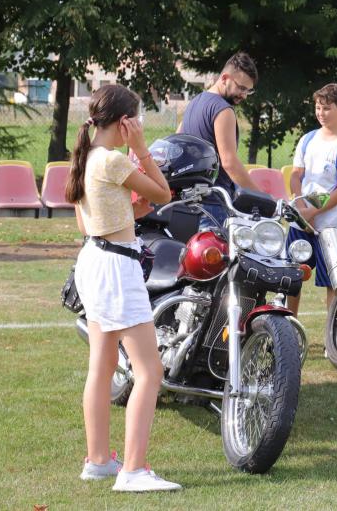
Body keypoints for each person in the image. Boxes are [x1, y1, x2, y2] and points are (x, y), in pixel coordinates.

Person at [66, 85, 181, 491]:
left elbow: (88, 222)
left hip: (94, 260)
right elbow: (163, 193)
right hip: (116, 268)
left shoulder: (86, 157)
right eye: (138, 119)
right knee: (150, 370)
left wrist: (130, 212)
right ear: (124, 122)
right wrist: (142, 149)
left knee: (102, 366)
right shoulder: (113, 159)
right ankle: (133, 470)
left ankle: (99, 460)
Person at [285, 83, 337, 315]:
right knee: (291, 277)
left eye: (326, 108)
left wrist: (313, 212)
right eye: (318, 107)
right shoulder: (307, 139)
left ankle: (331, 333)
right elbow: (296, 175)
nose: (321, 113)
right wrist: (301, 208)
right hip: (301, 223)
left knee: (332, 283)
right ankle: (288, 324)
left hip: (331, 225)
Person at [178, 52, 261, 229]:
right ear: (224, 78)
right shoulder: (223, 110)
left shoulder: (194, 103)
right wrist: (261, 197)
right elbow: (229, 163)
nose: (244, 95)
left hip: (186, 206)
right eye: (241, 88)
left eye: (248, 90)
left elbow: (177, 140)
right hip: (213, 205)